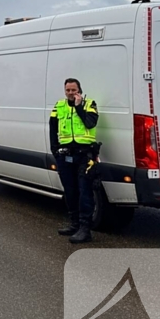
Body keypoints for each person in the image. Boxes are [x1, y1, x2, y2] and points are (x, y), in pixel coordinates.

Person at [50, 78, 99, 244]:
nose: (71, 93)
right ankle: (74, 224)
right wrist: (55, 150)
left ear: (79, 90)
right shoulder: (59, 105)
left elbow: (90, 123)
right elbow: (52, 128)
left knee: (85, 191)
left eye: (74, 90)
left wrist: (78, 106)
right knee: (70, 191)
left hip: (84, 155)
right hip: (65, 155)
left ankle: (85, 229)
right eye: (68, 90)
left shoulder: (89, 104)